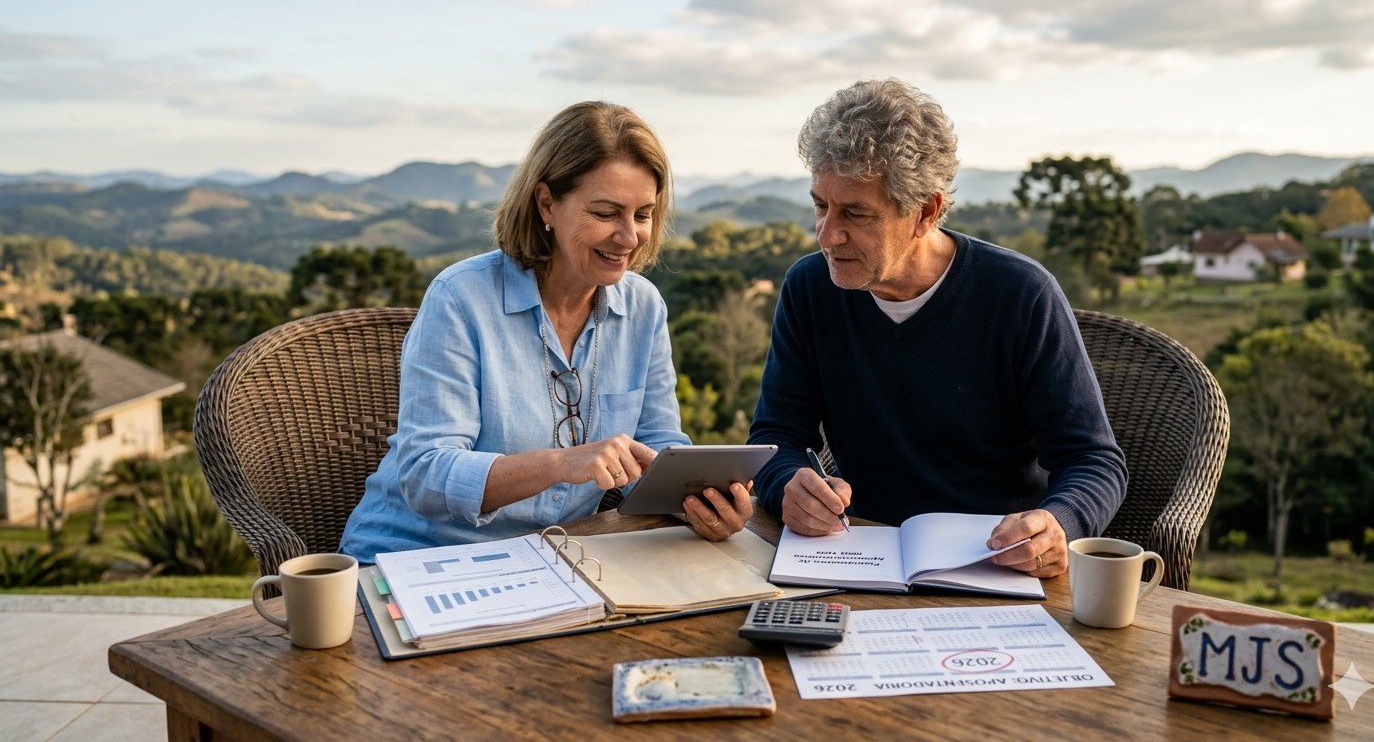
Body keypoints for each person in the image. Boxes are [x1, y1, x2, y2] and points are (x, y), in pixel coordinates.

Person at [747, 79, 1127, 578]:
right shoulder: (809, 288)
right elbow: (777, 436)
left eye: (855, 213)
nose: (826, 234)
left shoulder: (1021, 294)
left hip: (998, 565)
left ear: (925, 211)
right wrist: (786, 484)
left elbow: (1094, 459)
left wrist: (1061, 522)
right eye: (821, 205)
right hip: (857, 553)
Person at [341, 101, 753, 562]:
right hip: (417, 557)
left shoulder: (643, 307)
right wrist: (561, 464)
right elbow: (425, 475)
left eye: (642, 214)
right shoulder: (459, 299)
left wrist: (702, 501)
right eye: (605, 212)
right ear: (546, 204)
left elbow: (658, 447)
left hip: (554, 560)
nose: (629, 236)